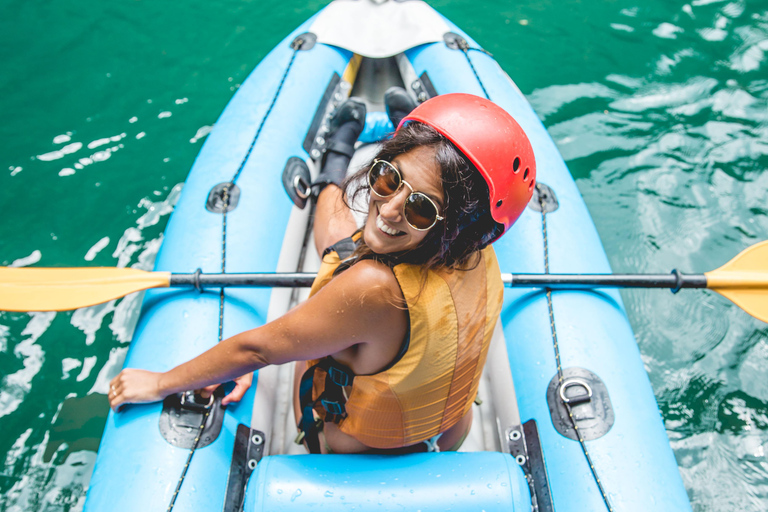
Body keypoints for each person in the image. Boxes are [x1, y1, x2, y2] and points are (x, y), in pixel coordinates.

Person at [108, 91, 536, 454]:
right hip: (445, 433)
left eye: (421, 208)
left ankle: (337, 152)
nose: (387, 208)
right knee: (350, 243)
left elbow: (255, 352)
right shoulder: (475, 252)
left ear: (458, 226)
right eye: (387, 177)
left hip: (353, 450)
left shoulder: (371, 291)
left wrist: (162, 383)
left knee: (341, 246)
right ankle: (364, 154)